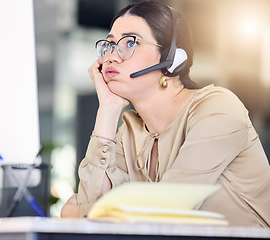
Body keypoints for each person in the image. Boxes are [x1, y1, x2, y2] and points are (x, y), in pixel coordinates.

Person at [61, 0, 270, 227]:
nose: (111, 56)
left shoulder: (218, 108)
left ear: (172, 59)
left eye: (130, 42)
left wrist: (75, 213)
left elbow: (166, 208)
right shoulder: (130, 131)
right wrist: (108, 109)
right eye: (109, 45)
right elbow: (96, 213)